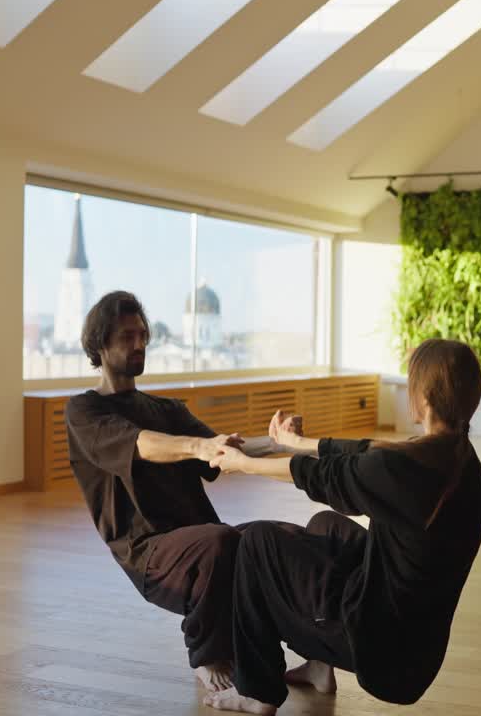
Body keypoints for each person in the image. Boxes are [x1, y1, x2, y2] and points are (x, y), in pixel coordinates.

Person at [202, 339, 481, 715]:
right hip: (415, 642)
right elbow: (370, 451)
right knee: (327, 525)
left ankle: (258, 691)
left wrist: (243, 464)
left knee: (257, 543)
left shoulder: (407, 471)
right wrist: (295, 442)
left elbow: (328, 474)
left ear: (425, 397)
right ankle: (320, 669)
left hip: (379, 645)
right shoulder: (461, 461)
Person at [65, 291, 299, 692]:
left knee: (272, 539)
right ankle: (207, 654)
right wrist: (196, 445)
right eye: (126, 336)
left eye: (142, 335)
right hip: (150, 553)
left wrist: (281, 441)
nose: (139, 344)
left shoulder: (167, 408)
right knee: (222, 542)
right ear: (99, 343)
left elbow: (224, 451)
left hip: (204, 539)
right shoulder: (86, 412)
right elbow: (140, 444)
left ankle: (308, 654)